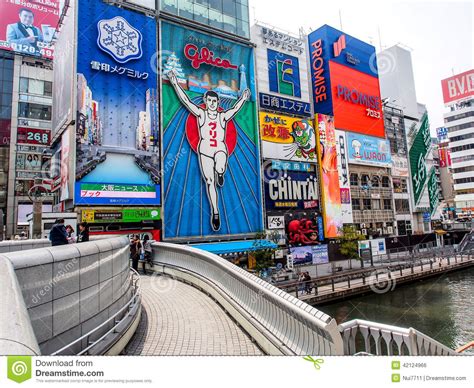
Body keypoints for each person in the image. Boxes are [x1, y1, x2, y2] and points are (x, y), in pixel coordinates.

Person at [167, 69, 250, 231]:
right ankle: (216, 212)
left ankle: (220, 172)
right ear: (206, 101)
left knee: (220, 165)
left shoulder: (222, 116)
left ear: (218, 103)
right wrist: (175, 83)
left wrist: (244, 98)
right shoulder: (201, 114)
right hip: (204, 150)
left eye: (215, 101)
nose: (212, 103)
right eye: (210, 100)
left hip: (219, 148)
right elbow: (186, 101)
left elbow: (235, 109)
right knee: (209, 182)